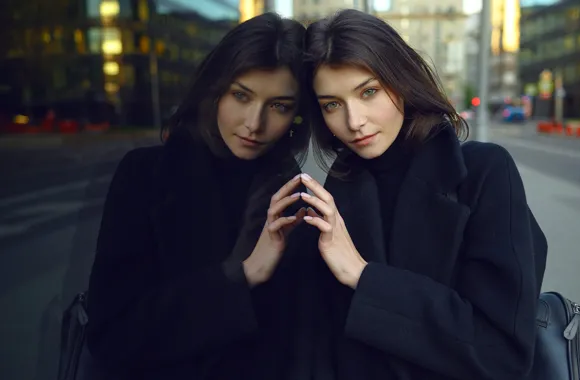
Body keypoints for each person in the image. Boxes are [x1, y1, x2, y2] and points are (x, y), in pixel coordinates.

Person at [297, 9, 547, 380]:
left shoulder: (482, 174)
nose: (354, 121)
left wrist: (365, 277)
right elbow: (319, 343)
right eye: (332, 104)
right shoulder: (335, 193)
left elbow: (502, 352)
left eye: (369, 92)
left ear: (401, 81)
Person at [84, 13, 311, 379]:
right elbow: (112, 335)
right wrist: (243, 274)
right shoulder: (146, 176)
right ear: (215, 90)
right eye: (241, 95)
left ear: (298, 114)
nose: (254, 123)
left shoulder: (297, 193)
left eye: (279, 106)